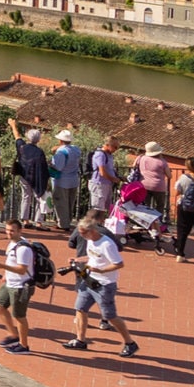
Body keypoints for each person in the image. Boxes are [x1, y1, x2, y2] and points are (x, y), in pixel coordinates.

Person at [66, 212, 140, 357]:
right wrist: (78, 259)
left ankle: (130, 343)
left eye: (83, 233)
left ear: (92, 231)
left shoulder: (107, 244)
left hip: (105, 284)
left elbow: (119, 264)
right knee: (80, 308)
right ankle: (80, 340)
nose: (81, 236)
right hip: (88, 280)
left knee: (110, 316)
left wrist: (101, 270)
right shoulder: (89, 240)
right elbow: (93, 256)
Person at [0, 221, 38, 354]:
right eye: (7, 230)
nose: (8, 232)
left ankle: (24, 345)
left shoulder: (23, 249)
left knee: (19, 316)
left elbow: (22, 270)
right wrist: (5, 274)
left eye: (12, 231)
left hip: (21, 286)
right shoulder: (12, 243)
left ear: (20, 231)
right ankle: (13, 335)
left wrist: (2, 267)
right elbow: (11, 261)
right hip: (10, 282)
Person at [9, 121, 53, 226]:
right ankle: (38, 221)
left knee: (26, 197)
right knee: (39, 198)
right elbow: (43, 167)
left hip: (24, 176)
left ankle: (25, 220)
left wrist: (13, 125)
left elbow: (17, 136)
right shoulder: (39, 152)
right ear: (38, 140)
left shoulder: (22, 147)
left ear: (28, 137)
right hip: (37, 178)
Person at [50, 129, 85, 227]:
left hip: (61, 181)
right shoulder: (76, 149)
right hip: (73, 180)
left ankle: (63, 224)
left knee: (61, 203)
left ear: (60, 141)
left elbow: (58, 166)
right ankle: (68, 221)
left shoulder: (60, 152)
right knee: (70, 203)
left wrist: (50, 164)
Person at [134, 141, 173, 215]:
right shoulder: (162, 162)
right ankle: (157, 222)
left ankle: (144, 222)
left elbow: (134, 166)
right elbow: (169, 176)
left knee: (144, 205)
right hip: (158, 186)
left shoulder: (140, 158)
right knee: (160, 206)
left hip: (143, 185)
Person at [89, 137, 123, 218]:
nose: (116, 149)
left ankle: (101, 224)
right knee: (98, 208)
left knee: (105, 207)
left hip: (107, 184)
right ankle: (95, 225)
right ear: (108, 145)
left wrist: (119, 177)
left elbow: (110, 169)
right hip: (99, 184)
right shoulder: (100, 155)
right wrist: (114, 179)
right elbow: (102, 172)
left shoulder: (109, 155)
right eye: (115, 147)